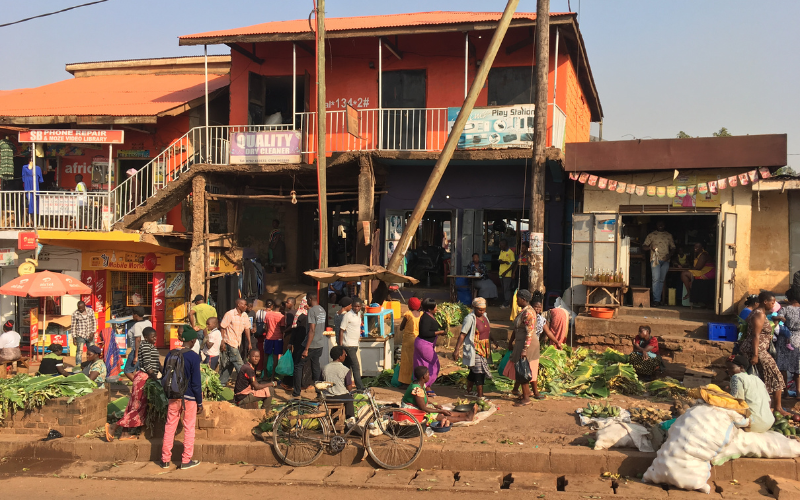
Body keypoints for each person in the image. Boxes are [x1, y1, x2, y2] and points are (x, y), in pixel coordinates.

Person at [105, 327, 161, 442]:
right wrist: (155, 378)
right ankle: (113, 426)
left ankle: (124, 433)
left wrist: (164, 372)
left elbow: (157, 363)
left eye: (155, 336)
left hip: (147, 378)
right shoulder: (145, 346)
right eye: (152, 336)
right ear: (146, 337)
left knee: (134, 407)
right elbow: (146, 364)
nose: (155, 338)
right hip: (143, 378)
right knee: (137, 407)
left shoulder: (151, 347)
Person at [739, 291, 788, 416]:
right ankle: (778, 408)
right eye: (772, 302)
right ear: (765, 302)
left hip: (758, 349)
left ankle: (764, 407)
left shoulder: (761, 314)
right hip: (757, 350)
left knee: (763, 378)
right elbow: (755, 335)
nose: (773, 304)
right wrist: (755, 355)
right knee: (776, 376)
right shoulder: (759, 314)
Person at [160, 328, 202, 470]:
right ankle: (186, 460)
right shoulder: (194, 357)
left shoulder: (171, 353)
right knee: (189, 427)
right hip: (189, 397)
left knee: (170, 425)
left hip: (173, 395)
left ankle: (165, 459)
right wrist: (200, 402)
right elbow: (196, 383)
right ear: (193, 340)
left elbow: (165, 372)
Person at [504, 290, 543, 405]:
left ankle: (526, 397)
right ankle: (527, 392)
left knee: (523, 370)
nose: (516, 301)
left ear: (523, 299)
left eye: (518, 299)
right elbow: (516, 330)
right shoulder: (523, 311)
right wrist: (511, 342)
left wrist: (525, 349)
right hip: (521, 343)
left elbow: (529, 332)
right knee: (521, 369)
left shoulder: (528, 313)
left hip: (528, 345)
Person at [401, 366, 475, 427]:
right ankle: (466, 418)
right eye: (428, 374)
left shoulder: (420, 384)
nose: (429, 376)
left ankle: (466, 414)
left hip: (419, 406)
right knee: (438, 416)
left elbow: (422, 399)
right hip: (411, 411)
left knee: (443, 412)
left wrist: (434, 405)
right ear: (423, 377)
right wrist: (440, 410)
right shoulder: (417, 389)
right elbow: (423, 408)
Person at [453, 297, 492, 398]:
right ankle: (480, 395)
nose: (482, 312)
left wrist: (494, 340)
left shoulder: (485, 316)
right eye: (480, 310)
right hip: (475, 348)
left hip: (485, 348)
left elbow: (487, 330)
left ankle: (469, 390)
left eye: (484, 309)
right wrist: (457, 349)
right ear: (474, 307)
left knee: (474, 370)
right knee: (479, 371)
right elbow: (463, 334)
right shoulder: (470, 318)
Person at [726, 354, 775, 433]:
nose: (729, 372)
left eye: (731, 368)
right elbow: (769, 401)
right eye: (727, 369)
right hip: (769, 422)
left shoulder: (737, 377)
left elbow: (736, 401)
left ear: (741, 367)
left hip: (753, 423)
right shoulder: (757, 378)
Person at [413, 298, 447, 397]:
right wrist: (439, 332)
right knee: (435, 364)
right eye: (435, 307)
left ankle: (422, 386)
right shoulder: (426, 318)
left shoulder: (430, 315)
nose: (437, 308)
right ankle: (427, 386)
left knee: (423, 365)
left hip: (425, 344)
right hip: (424, 344)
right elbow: (424, 333)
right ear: (429, 309)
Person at [641, 221, 675, 306]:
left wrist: (669, 255)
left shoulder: (668, 235)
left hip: (665, 260)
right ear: (656, 225)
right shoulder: (652, 235)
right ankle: (656, 300)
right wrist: (650, 247)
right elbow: (643, 247)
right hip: (655, 260)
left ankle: (658, 299)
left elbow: (673, 248)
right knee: (656, 279)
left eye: (662, 224)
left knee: (661, 280)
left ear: (664, 225)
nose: (660, 225)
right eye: (658, 224)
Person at [219, 298, 251, 385]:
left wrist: (249, 342)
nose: (246, 306)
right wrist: (222, 341)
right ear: (239, 305)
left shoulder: (245, 315)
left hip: (237, 342)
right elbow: (223, 327)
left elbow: (247, 328)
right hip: (229, 341)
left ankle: (221, 383)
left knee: (230, 364)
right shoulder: (229, 314)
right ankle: (246, 383)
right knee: (239, 363)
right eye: (244, 304)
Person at [774, 288, 800, 393]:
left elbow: (776, 321)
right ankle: (798, 392)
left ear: (789, 298)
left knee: (783, 366)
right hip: (798, 339)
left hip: (785, 339)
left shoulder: (785, 309)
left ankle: (785, 393)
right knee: (797, 367)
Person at [322, 346, 356, 419]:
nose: (345, 355)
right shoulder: (345, 369)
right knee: (350, 399)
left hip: (327, 397)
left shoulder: (324, 368)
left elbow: (320, 383)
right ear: (340, 357)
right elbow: (349, 387)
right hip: (341, 397)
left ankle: (335, 418)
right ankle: (350, 419)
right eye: (344, 354)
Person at [339, 297, 364, 390]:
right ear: (352, 306)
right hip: (348, 344)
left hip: (355, 344)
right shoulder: (348, 315)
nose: (356, 308)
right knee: (355, 366)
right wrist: (341, 346)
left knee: (346, 367)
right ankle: (360, 387)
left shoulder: (359, 315)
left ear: (360, 307)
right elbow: (341, 330)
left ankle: (343, 385)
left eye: (358, 306)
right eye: (354, 306)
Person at [290, 296, 312, 396]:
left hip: (299, 343)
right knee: (301, 365)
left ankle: (296, 386)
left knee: (298, 365)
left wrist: (291, 342)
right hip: (305, 343)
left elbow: (294, 330)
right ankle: (303, 384)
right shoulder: (309, 315)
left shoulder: (299, 315)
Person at [398, 297, 423, 386]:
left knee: (406, 361)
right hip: (418, 340)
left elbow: (401, 327)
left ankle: (405, 382)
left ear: (409, 306)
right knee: (415, 360)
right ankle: (416, 380)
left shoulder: (408, 314)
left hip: (408, 341)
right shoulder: (421, 314)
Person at [303, 290, 326, 384]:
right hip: (320, 343)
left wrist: (306, 348)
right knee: (315, 365)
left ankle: (298, 389)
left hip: (312, 344)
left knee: (299, 365)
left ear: (309, 299)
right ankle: (318, 388)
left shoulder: (312, 311)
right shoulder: (322, 309)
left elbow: (312, 330)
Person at [260, 299, 286, 379]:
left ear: (273, 305)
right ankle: (273, 376)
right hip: (278, 338)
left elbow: (266, 327)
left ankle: (265, 375)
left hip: (268, 337)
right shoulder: (282, 316)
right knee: (275, 357)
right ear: (281, 306)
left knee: (266, 356)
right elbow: (282, 329)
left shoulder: (268, 314)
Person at [124, 306, 151, 381]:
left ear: (136, 315)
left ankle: (139, 384)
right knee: (141, 371)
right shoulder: (148, 323)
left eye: (133, 314)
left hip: (137, 351)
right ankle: (142, 386)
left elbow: (138, 340)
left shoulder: (137, 325)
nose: (132, 316)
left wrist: (136, 356)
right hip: (146, 350)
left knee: (127, 371)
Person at [71, 300, 97, 370]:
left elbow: (94, 322)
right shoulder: (75, 314)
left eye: (82, 308)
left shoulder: (90, 311)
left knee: (91, 351)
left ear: (84, 306)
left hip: (89, 334)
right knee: (79, 351)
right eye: (79, 308)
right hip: (80, 335)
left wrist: (92, 333)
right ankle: (78, 366)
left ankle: (90, 365)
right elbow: (73, 326)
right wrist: (74, 337)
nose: (80, 310)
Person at [498, 240, 515, 309]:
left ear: (505, 245)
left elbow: (513, 263)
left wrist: (506, 272)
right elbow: (499, 260)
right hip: (501, 273)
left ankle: (507, 303)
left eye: (502, 245)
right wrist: (504, 261)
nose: (500, 246)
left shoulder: (510, 252)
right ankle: (505, 302)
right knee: (503, 289)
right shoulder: (502, 251)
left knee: (506, 289)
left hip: (507, 274)